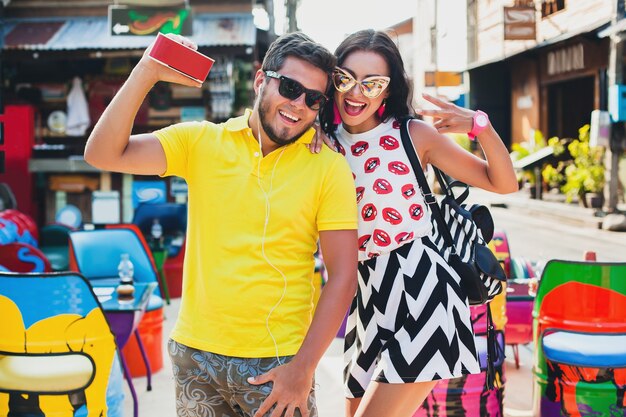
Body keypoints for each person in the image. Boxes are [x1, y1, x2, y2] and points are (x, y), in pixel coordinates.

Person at [84, 32, 359, 417]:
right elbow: (101, 153)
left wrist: (304, 367)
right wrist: (147, 71)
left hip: (277, 361)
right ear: (261, 80)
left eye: (313, 99)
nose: (298, 105)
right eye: (291, 88)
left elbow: (344, 275)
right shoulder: (201, 141)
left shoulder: (328, 167)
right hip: (195, 356)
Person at [311, 29, 518, 417]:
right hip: (364, 293)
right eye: (346, 78)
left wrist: (480, 127)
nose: (357, 93)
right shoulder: (323, 144)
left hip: (423, 289)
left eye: (372, 83)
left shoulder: (412, 135)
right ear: (332, 79)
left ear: (388, 90)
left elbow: (503, 182)